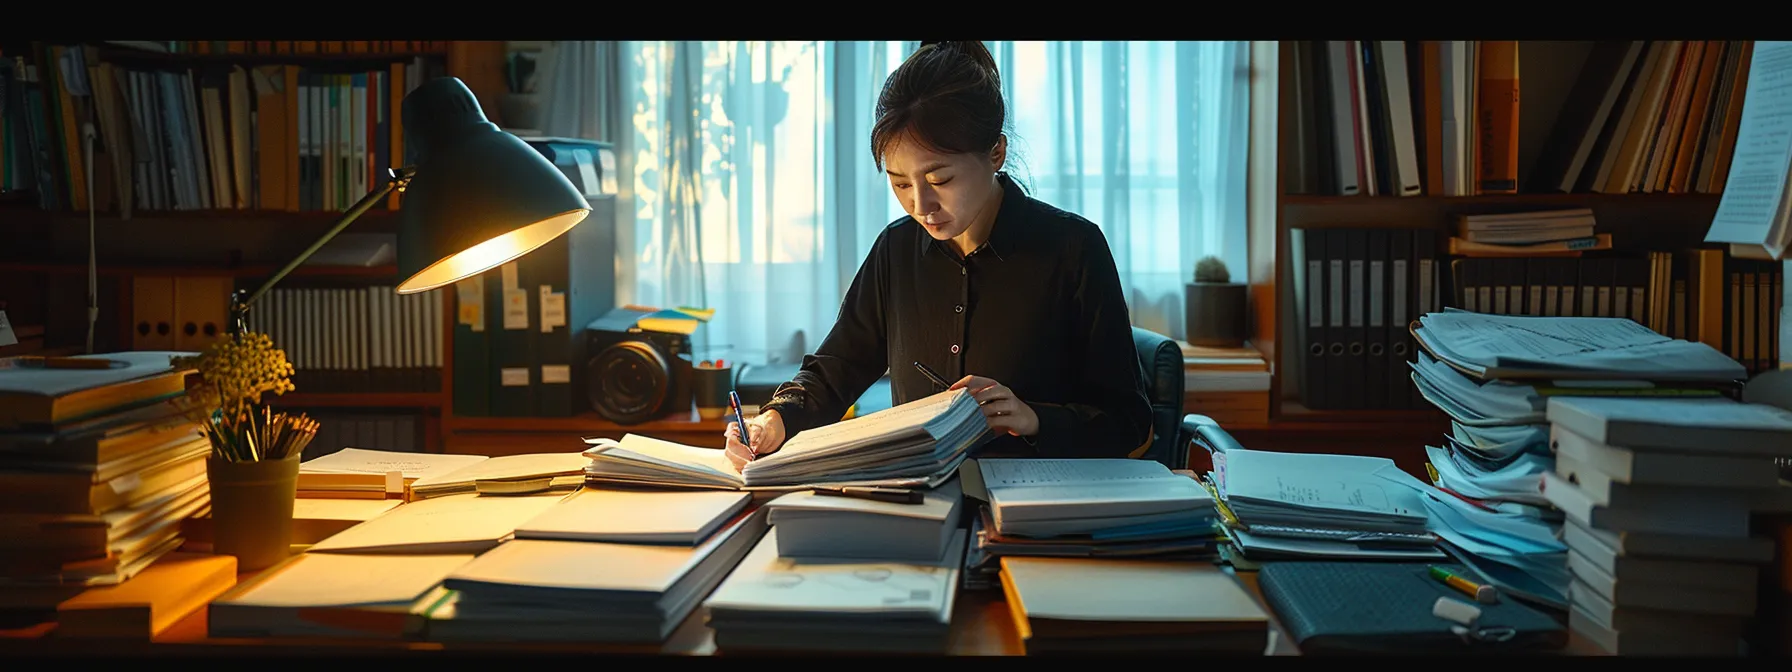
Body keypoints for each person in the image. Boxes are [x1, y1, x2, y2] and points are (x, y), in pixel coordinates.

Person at [724, 41, 1152, 471]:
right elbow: (836, 370)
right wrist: (775, 419)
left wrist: (1034, 419)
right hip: (920, 504)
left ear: (995, 153)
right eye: (900, 184)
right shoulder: (896, 249)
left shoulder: (1074, 249)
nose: (920, 204)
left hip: (1036, 511)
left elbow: (1129, 422)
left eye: (940, 179)